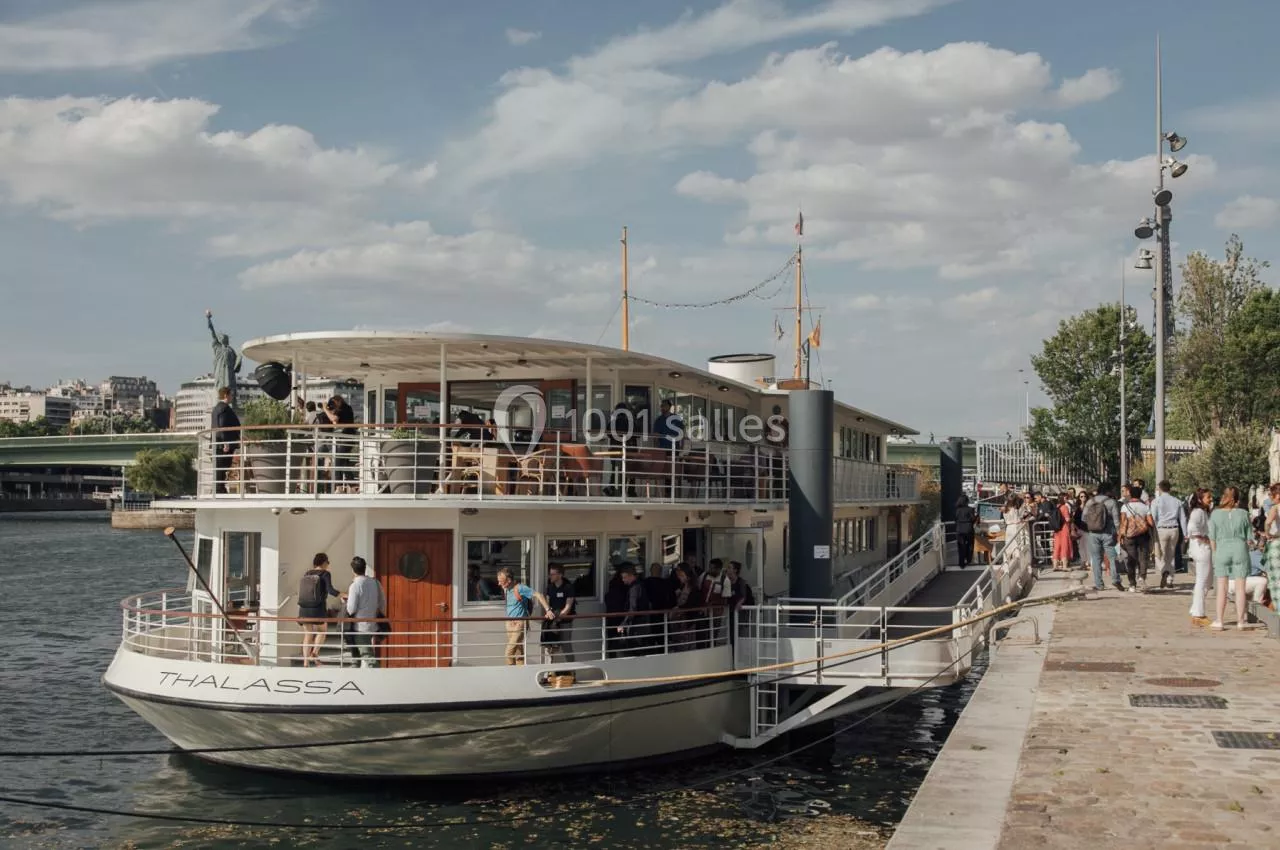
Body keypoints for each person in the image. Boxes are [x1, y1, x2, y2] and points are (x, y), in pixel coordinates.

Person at [1208, 486, 1252, 631]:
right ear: (1237, 498)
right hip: (1240, 549)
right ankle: (1241, 621)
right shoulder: (1244, 514)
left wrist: (1215, 553)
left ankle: (1219, 620)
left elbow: (1212, 537)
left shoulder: (1215, 514)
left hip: (1222, 549)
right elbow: (1249, 538)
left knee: (1222, 587)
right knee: (1240, 588)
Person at [496, 567, 552, 666]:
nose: (499, 584)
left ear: (509, 580)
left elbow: (539, 595)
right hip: (509, 623)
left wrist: (548, 610)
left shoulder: (520, 588)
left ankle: (511, 672)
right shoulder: (506, 589)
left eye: (501, 581)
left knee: (508, 652)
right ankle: (520, 671)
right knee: (518, 650)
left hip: (520, 623)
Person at [298, 553, 344, 667]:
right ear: (324, 563)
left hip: (304, 608)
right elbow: (331, 590)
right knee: (322, 631)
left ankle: (305, 663)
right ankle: (314, 653)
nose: (328, 564)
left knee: (308, 634)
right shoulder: (325, 573)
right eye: (328, 562)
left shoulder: (307, 573)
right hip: (318, 608)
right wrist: (344, 594)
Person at [344, 556, 385, 668]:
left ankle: (380, 675)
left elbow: (351, 609)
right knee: (358, 656)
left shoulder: (355, 585)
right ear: (365, 568)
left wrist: (346, 602)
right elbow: (382, 602)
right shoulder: (375, 582)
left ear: (353, 570)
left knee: (367, 655)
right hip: (373, 624)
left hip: (360, 626)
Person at [1081, 484, 1122, 591]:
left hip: (1093, 533)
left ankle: (1099, 584)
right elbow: (1117, 521)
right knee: (1112, 557)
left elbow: (1083, 518)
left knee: (1096, 558)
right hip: (1108, 533)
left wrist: (1093, 523)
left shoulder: (1090, 502)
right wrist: (1119, 532)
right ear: (1107, 491)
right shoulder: (1111, 502)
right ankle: (1115, 579)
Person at [1186, 488, 1214, 626]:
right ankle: (1198, 613)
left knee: (1207, 581)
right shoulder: (1198, 512)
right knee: (1202, 580)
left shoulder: (1203, 512)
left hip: (1203, 548)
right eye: (1208, 497)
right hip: (1201, 548)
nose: (1211, 499)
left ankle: (1195, 608)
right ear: (1200, 499)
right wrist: (1204, 539)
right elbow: (1191, 529)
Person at [1150, 480, 1186, 589]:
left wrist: (1153, 531)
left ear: (1160, 488)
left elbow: (1153, 517)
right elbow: (1182, 518)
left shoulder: (1156, 501)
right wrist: (1185, 533)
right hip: (1174, 529)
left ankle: (1164, 571)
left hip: (1161, 529)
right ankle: (1170, 579)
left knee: (1158, 554)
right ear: (1170, 488)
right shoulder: (1177, 501)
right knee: (1171, 555)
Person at [1118, 484, 1154, 592]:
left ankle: (1132, 584)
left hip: (1129, 536)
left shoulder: (1125, 507)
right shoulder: (1145, 507)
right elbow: (1151, 522)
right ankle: (1142, 577)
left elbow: (1123, 522)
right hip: (1143, 535)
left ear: (1130, 494)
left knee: (1131, 559)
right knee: (1143, 558)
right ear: (1140, 495)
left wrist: (1120, 535)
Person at [541, 565, 576, 664]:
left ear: (560, 575)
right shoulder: (550, 587)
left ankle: (572, 669)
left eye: (553, 574)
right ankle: (549, 670)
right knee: (549, 646)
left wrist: (560, 616)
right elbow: (547, 602)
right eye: (550, 574)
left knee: (566, 645)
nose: (550, 576)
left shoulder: (568, 587)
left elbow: (568, 606)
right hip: (552, 621)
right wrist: (548, 613)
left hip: (565, 621)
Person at [210, 387, 240, 494]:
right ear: (226, 395)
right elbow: (222, 426)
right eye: (231, 395)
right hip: (223, 444)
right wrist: (225, 442)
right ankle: (219, 489)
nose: (232, 397)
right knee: (222, 466)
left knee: (220, 466)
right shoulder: (224, 408)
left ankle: (219, 488)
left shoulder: (217, 408)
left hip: (218, 443)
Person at [324, 396, 358, 492]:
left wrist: (325, 409)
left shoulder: (344, 408)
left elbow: (333, 419)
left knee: (338, 461)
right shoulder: (346, 408)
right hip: (347, 438)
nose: (334, 406)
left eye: (334, 403)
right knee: (344, 462)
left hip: (346, 439)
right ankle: (353, 486)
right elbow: (335, 422)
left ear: (338, 401)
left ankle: (339, 487)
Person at [1262, 483, 1280, 608]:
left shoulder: (1275, 508)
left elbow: (1268, 523)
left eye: (1271, 495)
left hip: (1277, 543)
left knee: (1275, 579)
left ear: (1277, 495)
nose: (1270, 497)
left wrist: (1267, 534)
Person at [1051, 493, 1074, 571]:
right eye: (1066, 498)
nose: (1067, 499)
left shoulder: (1056, 507)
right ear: (1062, 498)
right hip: (1064, 528)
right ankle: (1064, 566)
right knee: (1065, 546)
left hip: (1057, 530)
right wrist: (1071, 518)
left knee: (1057, 547)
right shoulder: (1065, 507)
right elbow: (1067, 519)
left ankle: (1055, 566)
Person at [954, 494, 977, 568]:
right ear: (967, 501)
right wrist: (977, 517)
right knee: (970, 545)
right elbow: (973, 519)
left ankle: (961, 563)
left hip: (959, 530)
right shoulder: (970, 509)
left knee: (961, 546)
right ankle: (968, 559)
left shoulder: (957, 510)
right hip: (968, 529)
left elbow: (955, 520)